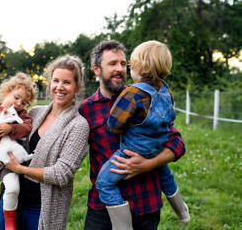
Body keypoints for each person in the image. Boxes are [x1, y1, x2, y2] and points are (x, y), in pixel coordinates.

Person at [79, 40, 186, 230]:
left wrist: (148, 164)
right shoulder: (86, 109)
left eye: (123, 63)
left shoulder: (145, 99)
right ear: (96, 69)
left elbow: (177, 142)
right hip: (102, 208)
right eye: (112, 63)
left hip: (146, 203)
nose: (120, 68)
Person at [0, 55, 90, 230]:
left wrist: (21, 169)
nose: (59, 87)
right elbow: (6, 136)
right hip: (12, 198)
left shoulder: (78, 125)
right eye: (56, 81)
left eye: (67, 82)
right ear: (49, 83)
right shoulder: (35, 113)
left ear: (77, 87)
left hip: (40, 207)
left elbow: (62, 174)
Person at [0, 72, 38, 230]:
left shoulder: (23, 115)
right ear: (6, 92)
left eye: (24, 102)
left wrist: (11, 128)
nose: (19, 103)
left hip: (23, 157)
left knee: (27, 187)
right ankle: (10, 223)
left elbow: (27, 128)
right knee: (12, 188)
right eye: (16, 97)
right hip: (4, 161)